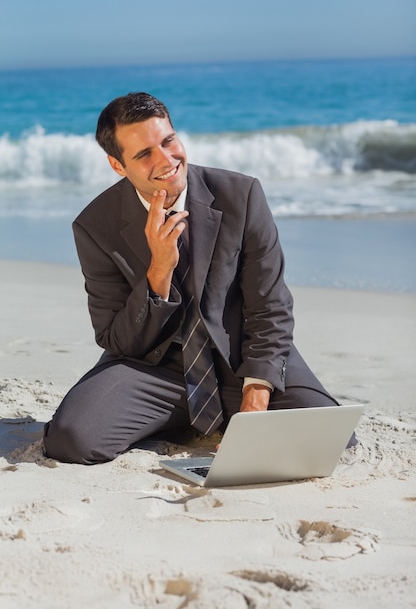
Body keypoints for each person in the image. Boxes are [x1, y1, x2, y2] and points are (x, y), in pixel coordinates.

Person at [43, 92, 356, 464]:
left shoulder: (241, 196)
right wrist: (158, 271)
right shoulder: (96, 226)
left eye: (168, 141)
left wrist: (256, 396)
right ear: (117, 165)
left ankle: (206, 412)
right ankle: (174, 416)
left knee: (333, 439)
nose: (166, 160)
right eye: (143, 154)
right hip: (155, 372)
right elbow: (116, 339)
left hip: (244, 360)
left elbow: (270, 306)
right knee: (71, 440)